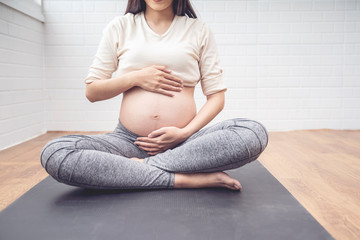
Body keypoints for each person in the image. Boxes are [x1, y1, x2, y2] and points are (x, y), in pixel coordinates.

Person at [40, 0, 268, 191]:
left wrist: (184, 133)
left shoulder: (198, 30)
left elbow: (217, 97)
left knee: (253, 132)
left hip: (186, 143)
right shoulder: (121, 26)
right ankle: (181, 179)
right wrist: (135, 78)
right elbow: (92, 92)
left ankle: (140, 169)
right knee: (55, 153)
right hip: (128, 142)